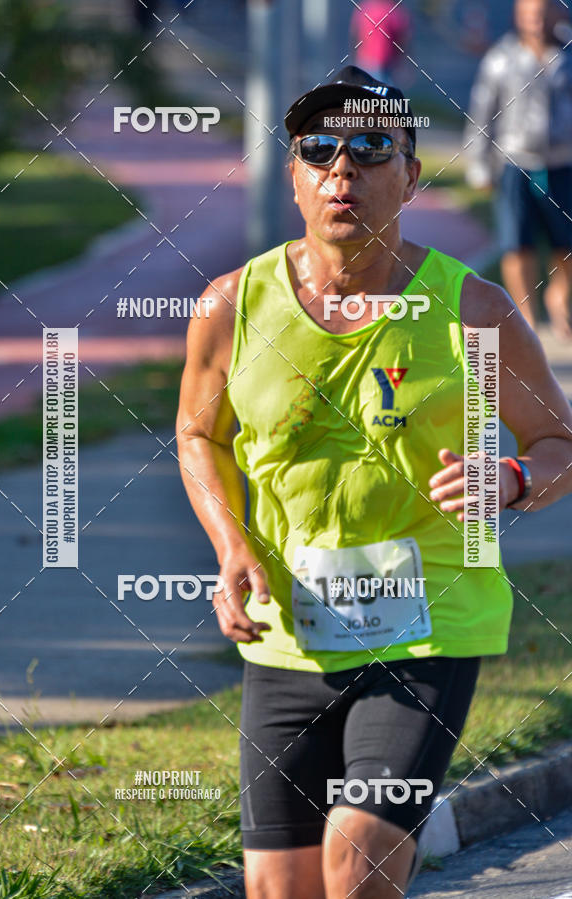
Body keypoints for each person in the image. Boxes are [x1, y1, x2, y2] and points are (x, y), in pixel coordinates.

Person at [177, 65, 572, 899]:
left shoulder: (475, 309)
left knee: (355, 861)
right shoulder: (228, 306)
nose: (341, 169)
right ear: (294, 176)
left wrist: (510, 477)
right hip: (290, 633)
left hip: (428, 625)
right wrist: (231, 543)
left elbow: (557, 441)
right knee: (279, 890)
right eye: (318, 150)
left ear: (412, 175)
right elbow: (198, 434)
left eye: (369, 147)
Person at [464, 0, 572, 339]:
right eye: (530, 15)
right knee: (517, 244)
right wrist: (479, 166)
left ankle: (559, 294)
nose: (537, 22)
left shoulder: (568, 56)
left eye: (543, 14)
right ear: (518, 17)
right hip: (516, 164)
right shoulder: (501, 59)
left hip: (562, 163)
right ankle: (528, 320)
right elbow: (482, 113)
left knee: (565, 245)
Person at [350, 0, 411, 83]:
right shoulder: (395, 12)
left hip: (371, 63)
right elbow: (402, 41)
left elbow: (355, 35)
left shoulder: (365, 8)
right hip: (379, 64)